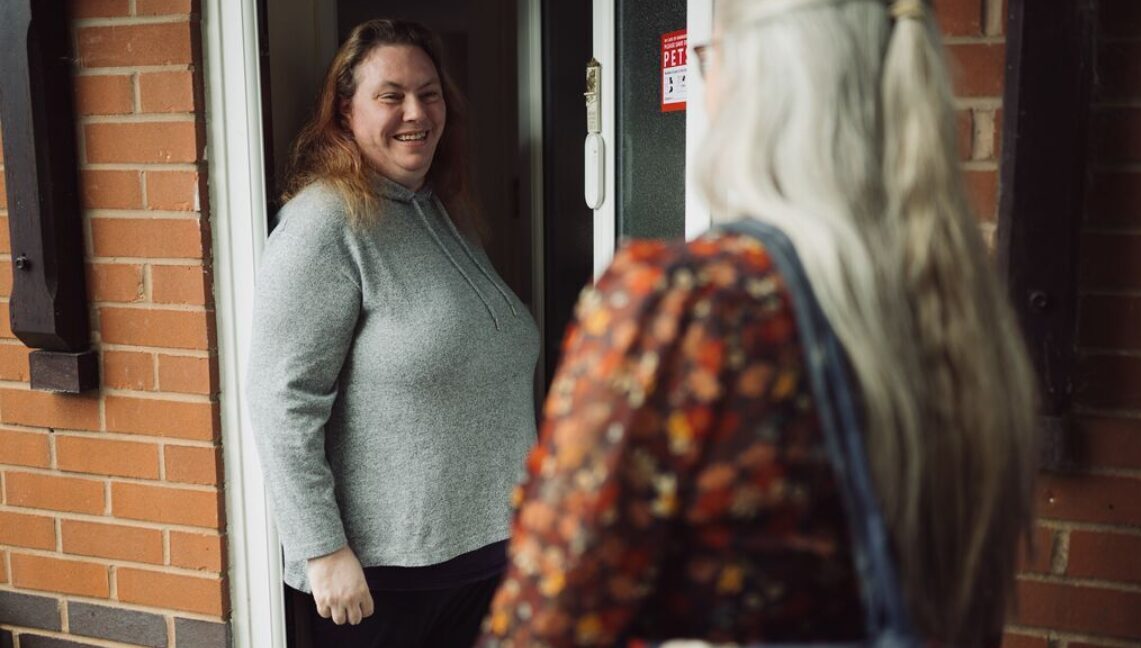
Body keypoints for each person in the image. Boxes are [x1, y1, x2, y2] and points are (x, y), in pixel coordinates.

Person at [479, 0, 1038, 645]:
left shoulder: (688, 305)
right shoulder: (958, 310)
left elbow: (542, 625)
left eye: (708, 56)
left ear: (756, 80)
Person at [245, 18, 539, 647]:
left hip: (486, 556)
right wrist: (322, 549)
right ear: (345, 111)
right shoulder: (324, 223)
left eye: (430, 94)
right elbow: (281, 399)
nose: (416, 113)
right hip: (383, 579)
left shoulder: (446, 212)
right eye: (391, 96)